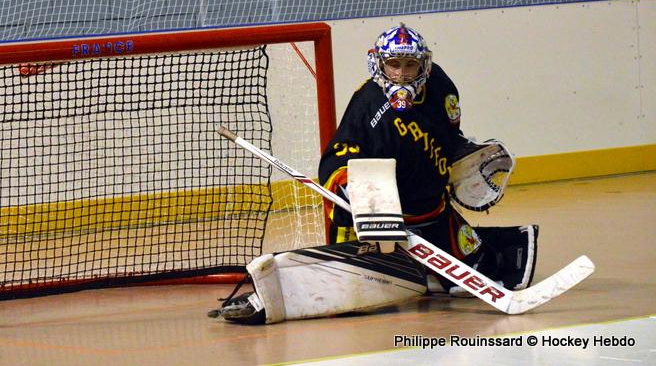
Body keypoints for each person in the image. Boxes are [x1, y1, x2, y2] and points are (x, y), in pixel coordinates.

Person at [210, 24, 538, 324]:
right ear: (379, 64)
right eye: (394, 64)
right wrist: (351, 190)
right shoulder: (366, 102)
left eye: (410, 65)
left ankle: (431, 271)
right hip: (385, 222)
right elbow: (338, 157)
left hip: (434, 212)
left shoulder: (441, 86)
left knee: (484, 269)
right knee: (354, 288)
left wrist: (462, 157)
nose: (402, 74)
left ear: (424, 65)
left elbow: (449, 135)